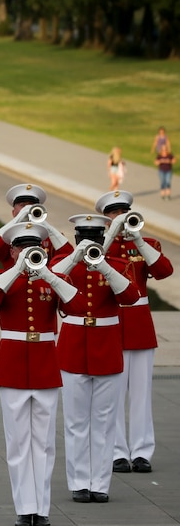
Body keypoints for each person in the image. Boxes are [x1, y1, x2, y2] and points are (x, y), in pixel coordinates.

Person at [0, 223, 79, 526]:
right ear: (11, 251)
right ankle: (25, 508)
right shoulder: (1, 278)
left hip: (46, 366)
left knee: (44, 443)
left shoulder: (55, 279)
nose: (28, 252)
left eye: (33, 247)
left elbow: (74, 304)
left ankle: (42, 508)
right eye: (21, 247)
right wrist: (18, 268)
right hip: (12, 366)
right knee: (18, 442)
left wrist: (47, 274)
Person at [50, 214, 139, 503]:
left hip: (106, 349)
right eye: (83, 239)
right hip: (74, 348)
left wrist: (103, 266)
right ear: (76, 240)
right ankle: (78, 482)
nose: (89, 244)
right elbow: (50, 284)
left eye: (94, 239)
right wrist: (75, 257)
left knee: (104, 421)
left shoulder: (115, 266)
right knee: (76, 422)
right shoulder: (67, 267)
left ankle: (99, 483)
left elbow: (131, 297)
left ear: (103, 241)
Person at [95, 191, 174, 475]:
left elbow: (164, 271)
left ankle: (141, 451)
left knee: (141, 394)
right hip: (113, 323)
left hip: (139, 325)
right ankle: (116, 451)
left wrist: (138, 239)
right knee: (113, 394)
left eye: (123, 212)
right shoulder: (102, 247)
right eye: (114, 214)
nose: (120, 217)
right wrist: (111, 234)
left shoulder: (146, 244)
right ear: (106, 218)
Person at [0, 184, 72, 267]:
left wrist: (43, 223)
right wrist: (18, 218)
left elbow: (69, 256)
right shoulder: (8, 236)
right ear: (13, 212)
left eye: (32, 206)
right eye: (22, 205)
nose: (28, 209)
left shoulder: (49, 236)